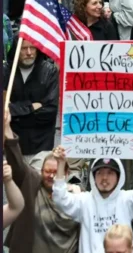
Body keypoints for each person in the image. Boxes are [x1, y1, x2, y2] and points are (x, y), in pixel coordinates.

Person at [51, 143, 133, 253]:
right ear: (93, 176)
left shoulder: (126, 199)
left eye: (110, 173)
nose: (104, 177)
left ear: (118, 176)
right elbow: (60, 198)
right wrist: (61, 164)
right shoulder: (84, 201)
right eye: (100, 173)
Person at [3, 107, 82, 253]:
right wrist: (7, 128)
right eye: (47, 171)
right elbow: (17, 163)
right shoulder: (32, 184)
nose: (51, 176)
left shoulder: (77, 196)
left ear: (66, 174)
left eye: (55, 172)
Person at [8, 40, 59, 156]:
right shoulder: (5, 71)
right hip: (11, 147)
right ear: (16, 49)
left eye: (32, 48)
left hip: (41, 146)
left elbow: (50, 111)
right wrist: (31, 107)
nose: (29, 52)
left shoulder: (49, 71)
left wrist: (15, 115)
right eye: (24, 48)